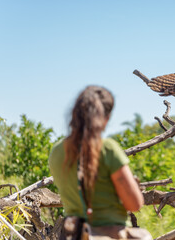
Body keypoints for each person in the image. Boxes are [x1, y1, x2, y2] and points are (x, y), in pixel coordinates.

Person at [49, 86, 152, 240]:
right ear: (105, 118)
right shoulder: (107, 149)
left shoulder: (56, 152)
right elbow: (135, 204)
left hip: (72, 234)